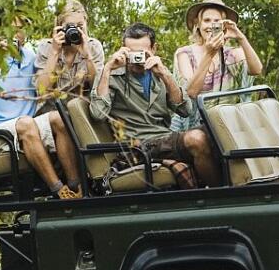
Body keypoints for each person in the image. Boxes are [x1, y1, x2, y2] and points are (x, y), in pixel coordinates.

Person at [90, 22, 218, 187]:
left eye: (142, 53)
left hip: (164, 139)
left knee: (215, 131)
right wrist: (107, 69)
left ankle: (238, 186)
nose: (137, 59)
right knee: (196, 138)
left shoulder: (159, 72)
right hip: (136, 146)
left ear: (154, 49)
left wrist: (164, 74)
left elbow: (186, 110)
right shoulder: (111, 75)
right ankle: (218, 196)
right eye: (132, 53)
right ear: (123, 50)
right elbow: (98, 113)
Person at [0, 20, 82, 199]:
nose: (17, 32)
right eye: (12, 26)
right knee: (26, 124)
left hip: (23, 130)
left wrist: (55, 52)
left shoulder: (29, 57)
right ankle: (59, 190)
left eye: (21, 27)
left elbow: (42, 92)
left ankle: (76, 186)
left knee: (59, 118)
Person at [172, 0, 264, 129]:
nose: (211, 26)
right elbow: (190, 92)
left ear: (224, 26)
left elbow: (257, 70)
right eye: (207, 20)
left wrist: (241, 38)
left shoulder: (232, 53)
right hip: (192, 125)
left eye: (217, 22)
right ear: (198, 24)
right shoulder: (184, 53)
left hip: (226, 123)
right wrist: (210, 53)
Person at [35, 0, 105, 102]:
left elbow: (98, 91)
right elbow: (41, 92)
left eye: (80, 26)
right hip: (52, 108)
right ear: (59, 27)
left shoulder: (94, 47)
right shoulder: (46, 47)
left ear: (86, 24)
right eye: (70, 27)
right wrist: (54, 53)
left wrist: (87, 56)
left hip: (81, 108)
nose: (76, 31)